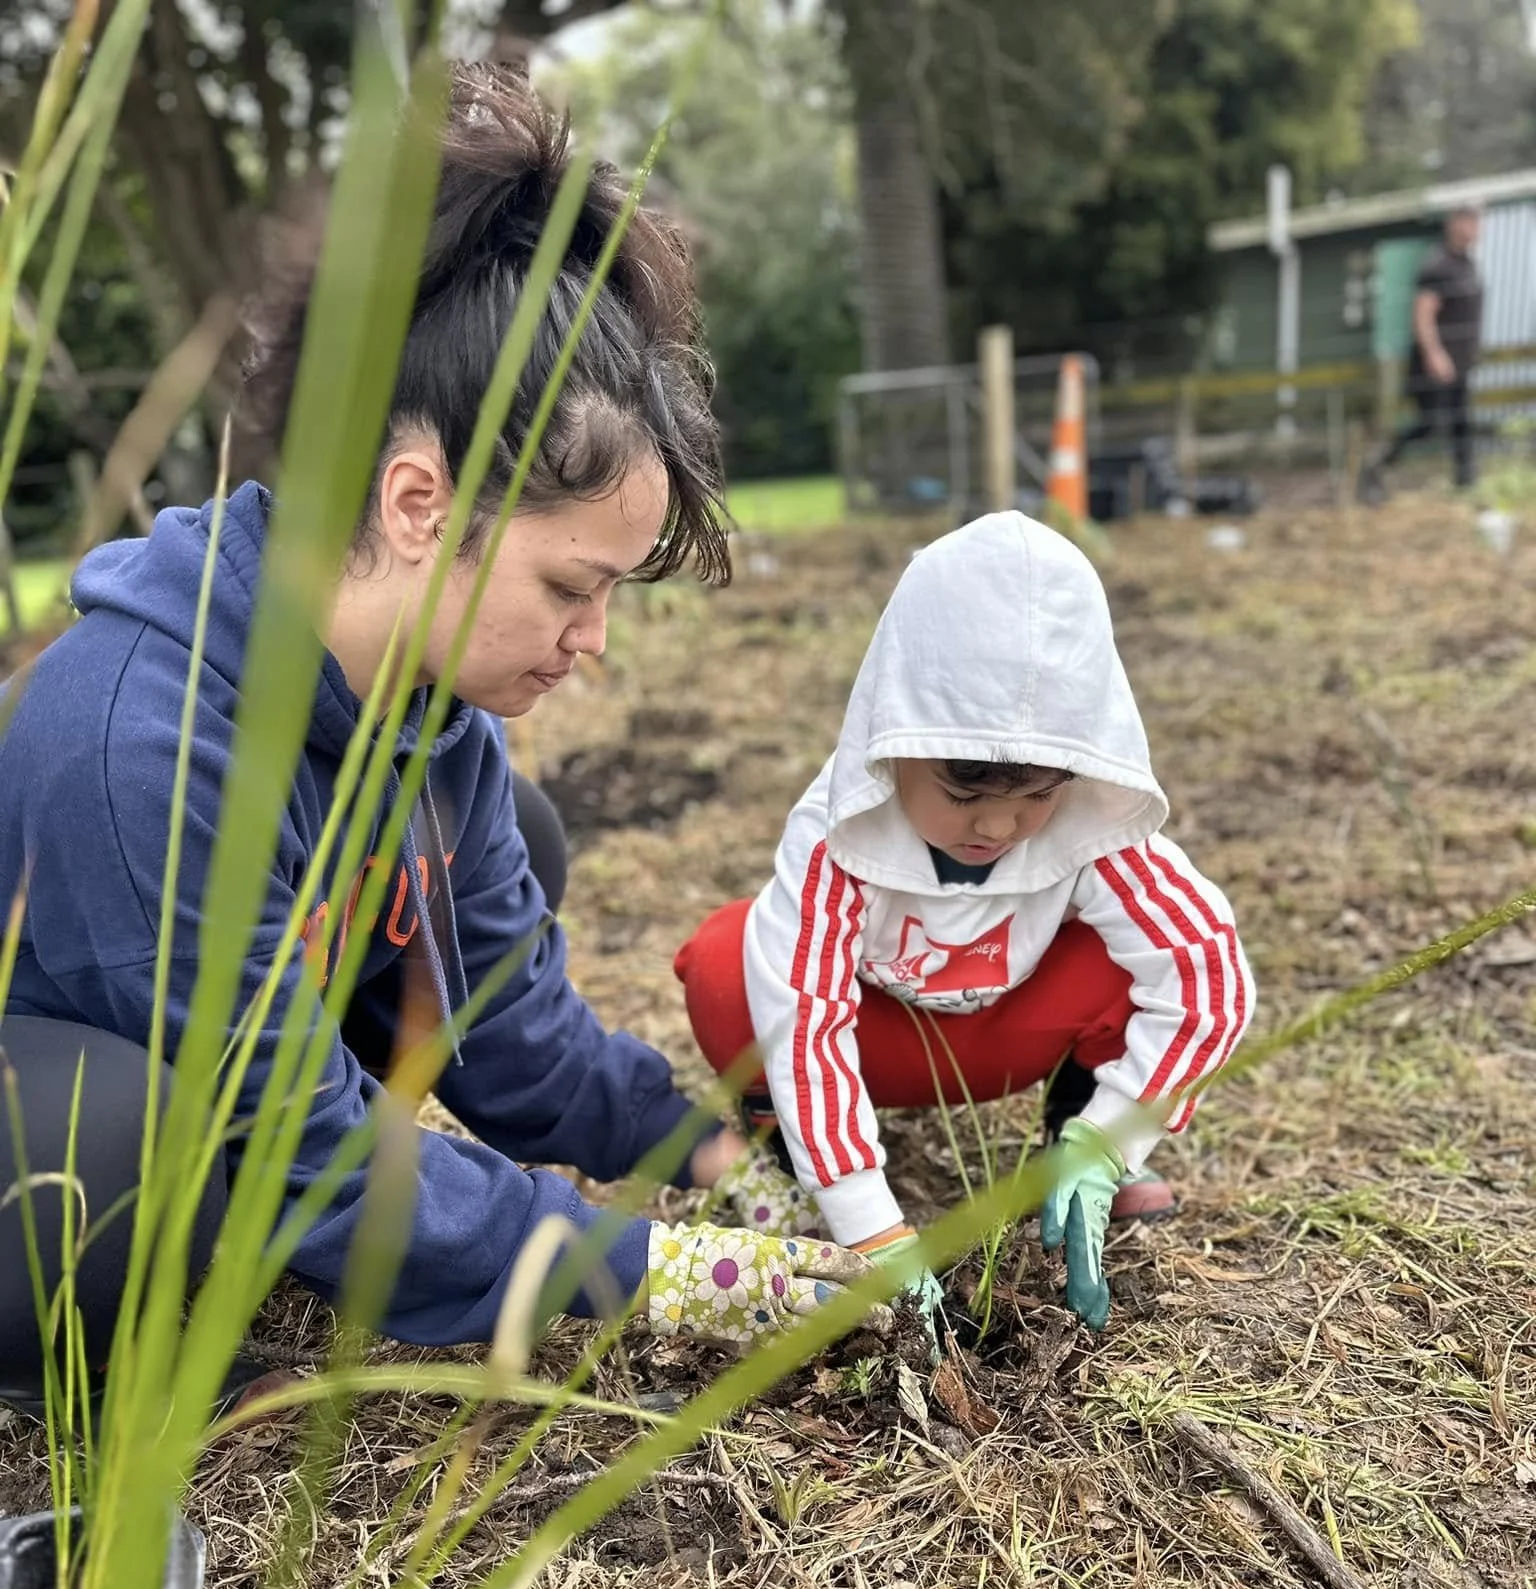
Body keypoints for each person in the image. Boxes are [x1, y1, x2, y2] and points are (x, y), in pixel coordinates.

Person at [0, 64, 882, 1416]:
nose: (593, 641)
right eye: (571, 587)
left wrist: (713, 1154)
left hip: (233, 1081)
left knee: (512, 839)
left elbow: (505, 1028)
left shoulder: (427, 714)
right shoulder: (141, 744)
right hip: (56, 1125)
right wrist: (671, 1275)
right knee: (107, 1146)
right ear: (420, 501)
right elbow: (322, 1165)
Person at [675, 512, 1256, 1341]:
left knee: (1131, 952)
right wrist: (870, 1225)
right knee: (732, 963)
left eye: (1037, 799)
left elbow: (1207, 972)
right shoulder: (838, 838)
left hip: (1012, 1033)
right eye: (964, 795)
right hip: (885, 1042)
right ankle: (799, 1169)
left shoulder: (1092, 829)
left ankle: (1072, 1143)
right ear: (895, 737)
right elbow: (805, 1026)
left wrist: (1114, 1138)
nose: (999, 829)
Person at [1361, 207, 1483, 500]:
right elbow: (1423, 314)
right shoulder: (1437, 265)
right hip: (1436, 362)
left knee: (1461, 422)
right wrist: (1435, 354)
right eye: (1472, 222)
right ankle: (1377, 464)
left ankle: (1466, 484)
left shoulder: (1466, 264)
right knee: (1429, 424)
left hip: (1461, 361)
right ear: (1455, 224)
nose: (1478, 229)